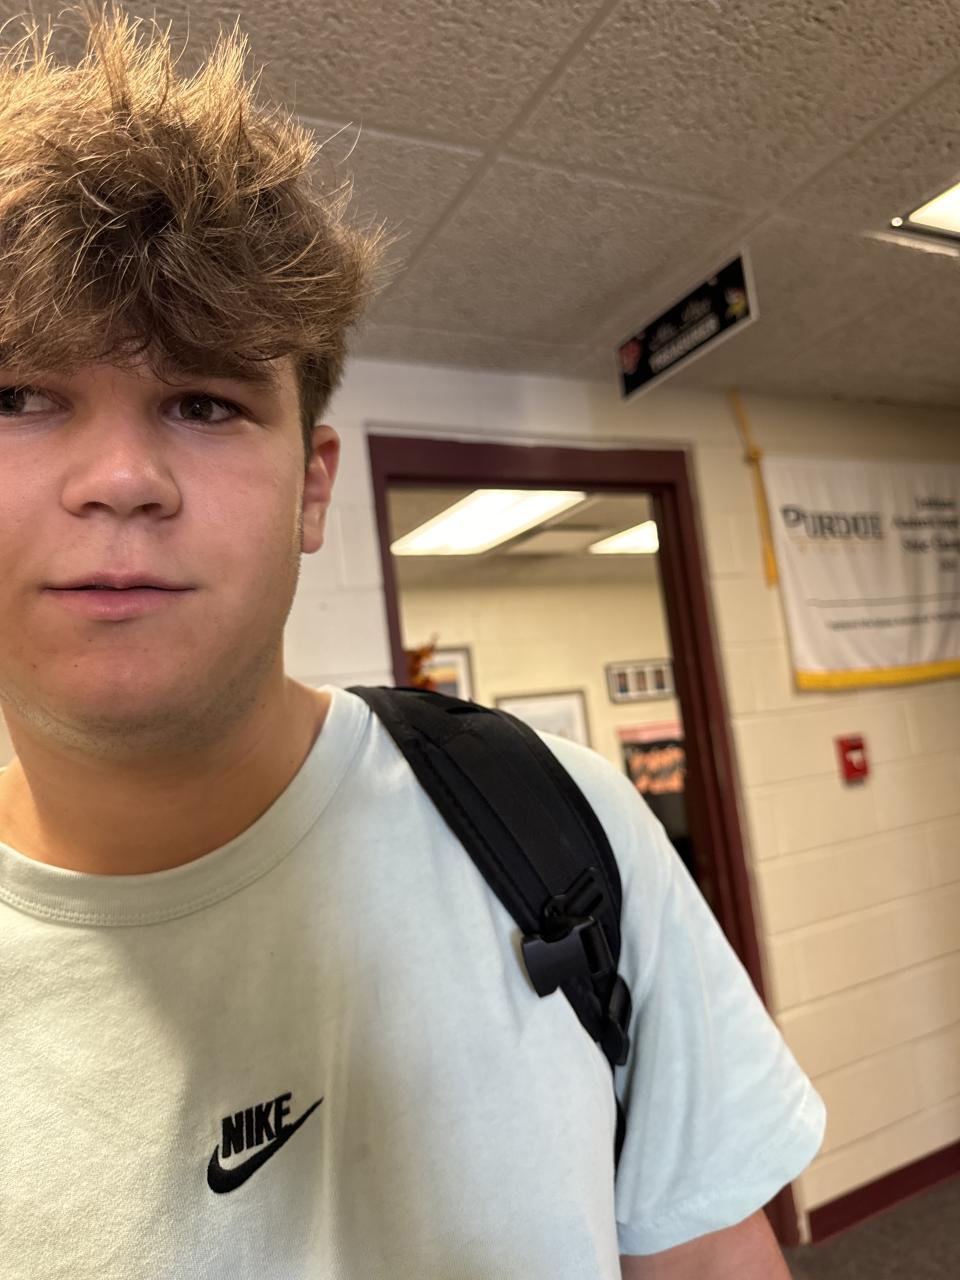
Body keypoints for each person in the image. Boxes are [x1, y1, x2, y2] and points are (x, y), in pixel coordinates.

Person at [0, 5, 825, 1277]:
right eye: (20, 395)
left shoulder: (563, 828)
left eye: (204, 401)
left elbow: (714, 1256)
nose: (121, 478)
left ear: (312, 486)